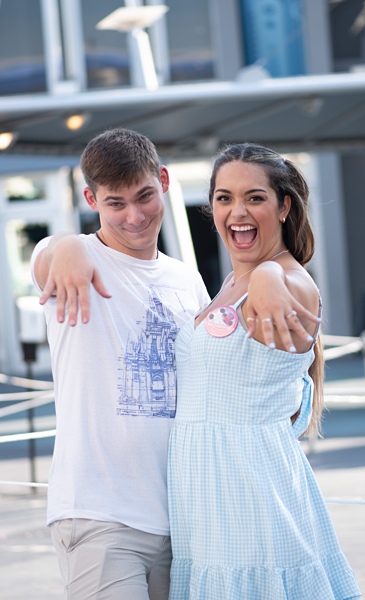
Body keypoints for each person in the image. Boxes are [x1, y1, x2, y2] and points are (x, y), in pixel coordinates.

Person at [166, 143, 360, 599]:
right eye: (224, 198)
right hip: (201, 501)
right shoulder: (229, 283)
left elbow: (291, 287)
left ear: (284, 205)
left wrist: (267, 277)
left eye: (255, 198)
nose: (238, 211)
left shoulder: (285, 280)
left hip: (248, 495)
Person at [31, 128, 210, 600]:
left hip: (182, 523)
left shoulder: (186, 279)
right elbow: (46, 257)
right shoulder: (76, 255)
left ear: (165, 181)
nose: (135, 216)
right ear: (91, 198)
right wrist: (65, 244)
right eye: (115, 204)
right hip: (99, 515)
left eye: (145, 196)